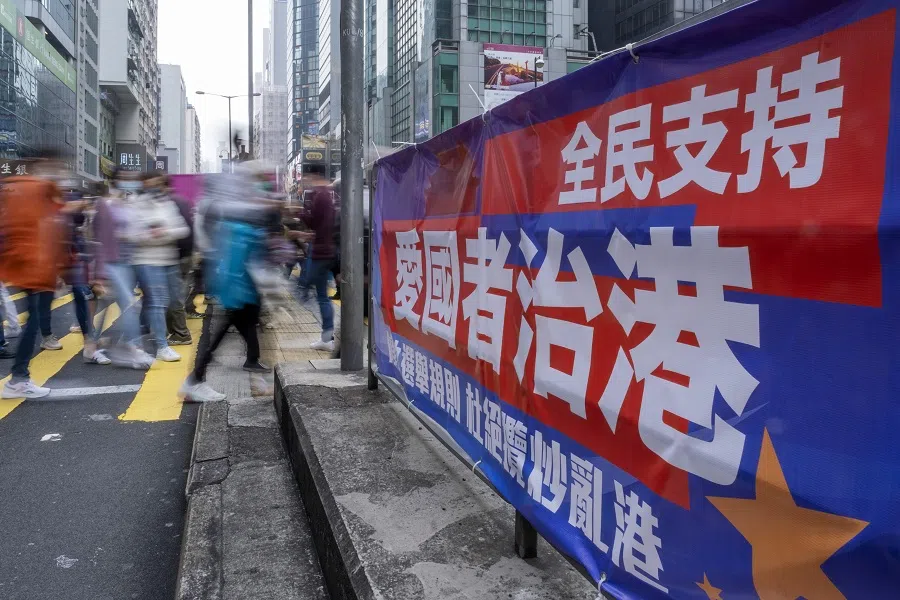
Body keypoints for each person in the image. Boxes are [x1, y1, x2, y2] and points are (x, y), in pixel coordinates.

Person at [180, 162, 272, 403]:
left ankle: (254, 369)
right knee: (225, 330)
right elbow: (233, 256)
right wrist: (239, 288)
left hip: (242, 284)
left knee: (246, 325)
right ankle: (195, 380)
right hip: (237, 284)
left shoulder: (239, 213)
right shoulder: (235, 217)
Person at [0, 157, 77, 398]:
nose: (61, 175)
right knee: (33, 322)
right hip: (35, 269)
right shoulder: (38, 192)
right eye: (58, 168)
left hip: (27, 268)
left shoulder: (16, 190)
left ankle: (19, 378)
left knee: (33, 320)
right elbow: (43, 233)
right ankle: (18, 379)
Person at [92, 170, 154, 369]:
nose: (130, 182)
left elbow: (135, 231)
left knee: (108, 304)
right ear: (115, 181)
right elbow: (99, 239)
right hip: (110, 263)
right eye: (125, 178)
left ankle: (92, 346)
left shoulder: (128, 203)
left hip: (127, 262)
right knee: (130, 305)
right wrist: (99, 274)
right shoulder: (104, 204)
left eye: (132, 178)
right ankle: (133, 349)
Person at [129, 172, 189, 363]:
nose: (155, 187)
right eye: (150, 183)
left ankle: (132, 339)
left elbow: (183, 229)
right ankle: (162, 346)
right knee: (156, 302)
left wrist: (163, 232)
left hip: (169, 259)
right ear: (143, 185)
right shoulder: (135, 204)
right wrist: (153, 234)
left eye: (158, 183)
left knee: (171, 300)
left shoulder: (167, 203)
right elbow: (132, 235)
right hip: (147, 260)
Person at [291, 172, 336, 351]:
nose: (307, 181)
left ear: (316, 176)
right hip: (326, 250)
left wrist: (300, 212)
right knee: (322, 295)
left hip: (321, 252)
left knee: (311, 291)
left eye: (308, 178)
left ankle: (327, 338)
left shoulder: (321, 196)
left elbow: (314, 222)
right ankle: (327, 338)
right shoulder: (327, 196)